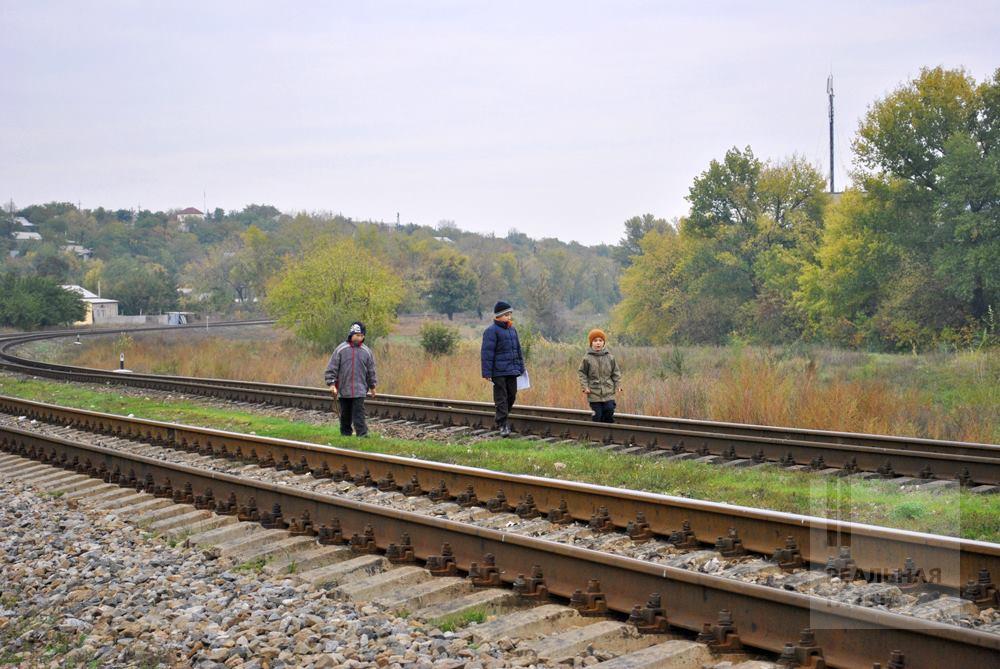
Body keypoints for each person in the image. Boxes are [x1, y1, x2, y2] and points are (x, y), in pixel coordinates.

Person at [324, 321, 377, 437]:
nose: (360, 338)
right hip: (344, 389)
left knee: (359, 413)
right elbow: (332, 367)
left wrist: (372, 386)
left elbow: (371, 370)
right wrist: (331, 384)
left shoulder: (366, 352)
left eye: (362, 336)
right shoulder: (341, 349)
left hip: (360, 389)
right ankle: (345, 434)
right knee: (345, 414)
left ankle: (362, 434)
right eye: (357, 335)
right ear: (351, 334)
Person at [480, 300, 525, 437]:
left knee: (511, 395)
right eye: (506, 315)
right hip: (498, 371)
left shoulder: (512, 330)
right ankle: (503, 424)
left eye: (510, 314)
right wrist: (487, 372)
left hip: (512, 370)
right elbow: (487, 353)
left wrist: (521, 367)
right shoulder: (491, 331)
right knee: (501, 397)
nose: (509, 317)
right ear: (498, 316)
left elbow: (518, 350)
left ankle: (502, 417)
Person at [577, 328, 622, 423]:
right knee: (597, 416)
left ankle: (609, 434)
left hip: (608, 392)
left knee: (609, 411)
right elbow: (582, 373)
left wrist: (618, 385)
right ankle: (597, 434)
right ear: (591, 343)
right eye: (595, 341)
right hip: (594, 393)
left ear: (603, 342)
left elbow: (616, 373)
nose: (598, 343)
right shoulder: (587, 358)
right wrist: (585, 387)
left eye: (600, 341)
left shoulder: (610, 357)